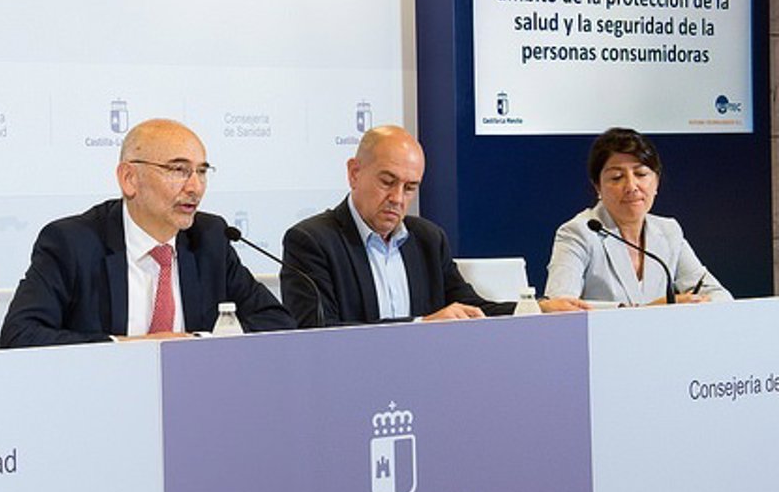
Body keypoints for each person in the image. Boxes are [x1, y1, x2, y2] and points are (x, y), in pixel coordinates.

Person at [0, 118, 295, 347]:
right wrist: (133, 348)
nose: (195, 187)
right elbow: (20, 335)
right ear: (129, 179)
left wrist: (195, 343)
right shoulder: (72, 242)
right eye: (178, 170)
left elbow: (277, 322)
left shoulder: (210, 237)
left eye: (202, 172)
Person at [282, 126, 584, 327]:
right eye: (387, 182)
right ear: (354, 173)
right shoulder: (311, 241)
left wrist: (536, 309)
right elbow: (318, 332)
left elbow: (471, 308)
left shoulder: (427, 239)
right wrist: (422, 325)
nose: (397, 198)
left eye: (410, 188)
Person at [544, 127, 731, 306]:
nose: (631, 187)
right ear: (597, 187)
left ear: (656, 182)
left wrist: (698, 302)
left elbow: (718, 294)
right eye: (617, 177)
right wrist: (654, 309)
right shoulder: (578, 233)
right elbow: (561, 308)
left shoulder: (668, 231)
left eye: (641, 174)